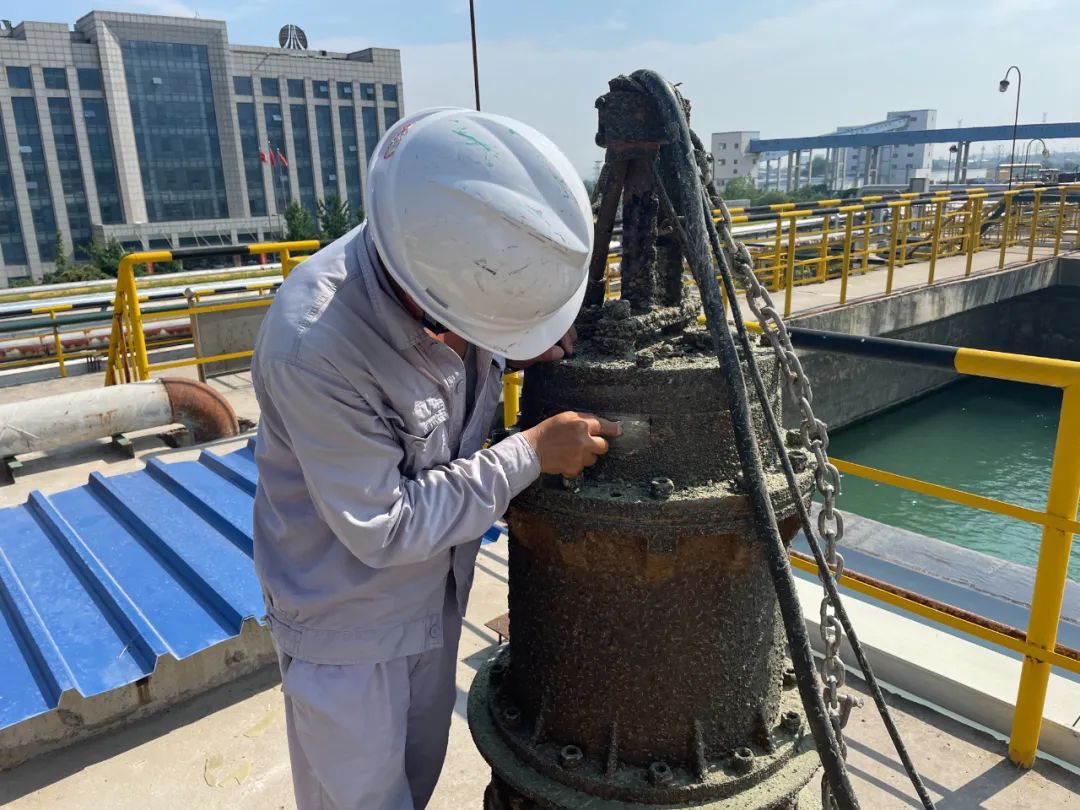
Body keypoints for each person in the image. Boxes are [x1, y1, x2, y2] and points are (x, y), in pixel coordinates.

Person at [251, 107, 620, 810]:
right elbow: (384, 524)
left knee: (415, 784)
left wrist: (513, 338)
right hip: (350, 632)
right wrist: (531, 453)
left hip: (434, 596)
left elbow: (457, 360)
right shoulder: (315, 347)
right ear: (430, 295)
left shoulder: (444, 261)